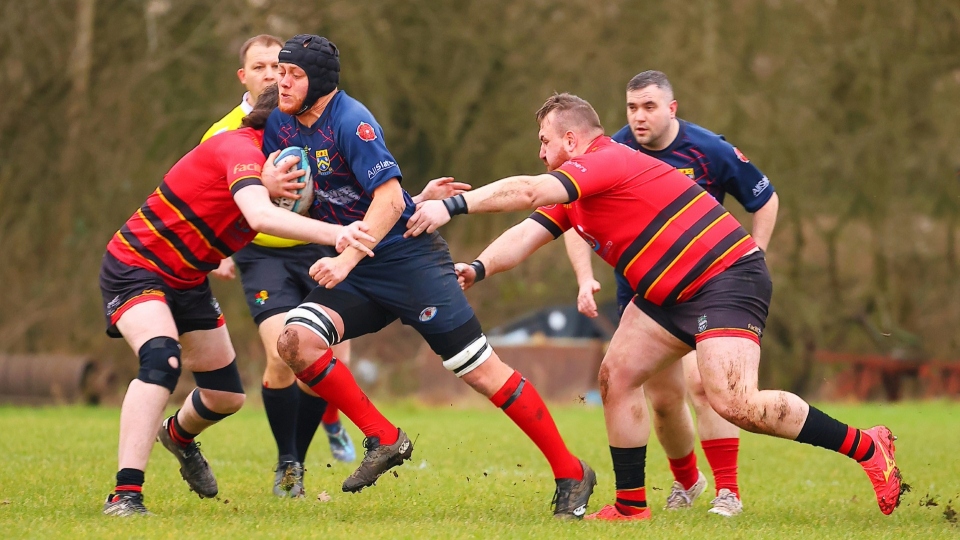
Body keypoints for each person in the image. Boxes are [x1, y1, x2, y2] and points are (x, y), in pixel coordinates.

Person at [405, 92, 902, 521]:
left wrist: (449, 207)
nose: (540, 151)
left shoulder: (605, 160)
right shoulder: (578, 188)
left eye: (544, 140)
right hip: (667, 295)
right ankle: (630, 506)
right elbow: (527, 233)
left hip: (725, 277)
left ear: (572, 141)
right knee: (616, 377)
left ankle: (867, 445)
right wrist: (478, 267)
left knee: (733, 401)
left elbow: (530, 191)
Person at [261, 34, 597, 519]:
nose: (282, 81)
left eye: (293, 74)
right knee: (296, 342)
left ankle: (571, 472)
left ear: (321, 81)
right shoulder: (280, 124)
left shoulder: (352, 123)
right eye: (279, 71)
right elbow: (311, 193)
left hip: (408, 263)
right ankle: (385, 438)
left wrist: (345, 258)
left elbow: (389, 201)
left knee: (479, 371)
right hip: (361, 264)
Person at [99, 86, 375, 516]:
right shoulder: (237, 148)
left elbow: (352, 195)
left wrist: (413, 202)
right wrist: (336, 236)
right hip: (137, 266)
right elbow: (261, 217)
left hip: (187, 280)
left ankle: (178, 436)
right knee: (162, 359)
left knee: (225, 396)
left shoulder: (279, 165)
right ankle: (125, 495)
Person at [562, 70, 780, 516]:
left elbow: (764, 197)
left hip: (705, 286)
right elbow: (569, 212)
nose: (638, 117)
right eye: (631, 107)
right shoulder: (612, 150)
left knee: (707, 386)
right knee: (661, 398)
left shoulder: (709, 150)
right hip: (642, 292)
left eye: (649, 107)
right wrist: (584, 278)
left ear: (671, 108)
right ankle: (687, 483)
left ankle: (728, 491)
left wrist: (754, 251)